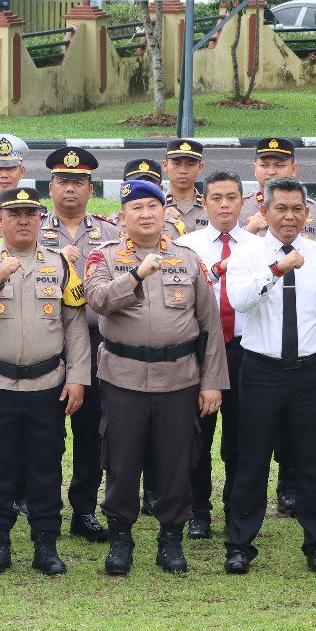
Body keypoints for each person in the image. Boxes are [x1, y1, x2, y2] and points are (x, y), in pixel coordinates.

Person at [84, 179, 227, 575]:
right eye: (137, 208)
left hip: (178, 378)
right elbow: (97, 301)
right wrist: (135, 276)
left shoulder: (188, 259)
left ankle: (171, 539)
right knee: (122, 461)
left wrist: (212, 382)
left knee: (177, 461)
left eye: (152, 206)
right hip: (122, 377)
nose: (145, 214)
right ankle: (120, 540)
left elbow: (209, 325)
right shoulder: (103, 256)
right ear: (122, 216)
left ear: (165, 212)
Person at [0, 186, 90, 575]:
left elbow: (75, 324)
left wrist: (78, 377)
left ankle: (45, 545)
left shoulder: (59, 264)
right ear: (0, 220)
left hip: (47, 384)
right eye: (15, 214)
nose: (24, 221)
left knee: (45, 466)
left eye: (31, 214)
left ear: (41, 219)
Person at [220, 177, 316, 575]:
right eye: (280, 209)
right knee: (252, 460)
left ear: (307, 213)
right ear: (265, 211)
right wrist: (276, 269)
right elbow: (240, 301)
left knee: (310, 461)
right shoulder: (247, 254)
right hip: (261, 370)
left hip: (310, 371)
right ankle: (240, 544)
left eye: (296, 209)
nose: (289, 217)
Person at [35, 148, 121, 543]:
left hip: (95, 339)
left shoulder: (111, 233)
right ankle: (43, 506)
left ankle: (84, 509)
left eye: (79, 182)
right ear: (51, 187)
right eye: (64, 182)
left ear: (90, 188)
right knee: (45, 431)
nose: (71, 189)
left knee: (92, 431)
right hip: (47, 339)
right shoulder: (32, 228)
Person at [176, 171, 261, 540]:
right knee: (198, 436)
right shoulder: (186, 246)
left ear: (243, 202)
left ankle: (236, 507)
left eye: (231, 197)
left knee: (242, 437)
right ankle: (198, 511)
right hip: (201, 348)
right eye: (216, 198)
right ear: (204, 202)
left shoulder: (259, 247)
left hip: (246, 349)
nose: (224, 205)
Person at [241, 138, 316, 242]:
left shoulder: (315, 211)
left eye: (279, 165)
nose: (271, 172)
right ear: (255, 169)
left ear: (294, 169)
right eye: (264, 165)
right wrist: (248, 230)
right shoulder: (240, 207)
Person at [164, 139, 208, 232]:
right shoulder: (157, 208)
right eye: (176, 164)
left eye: (190, 164)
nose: (183, 171)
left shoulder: (210, 207)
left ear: (200, 167)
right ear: (165, 165)